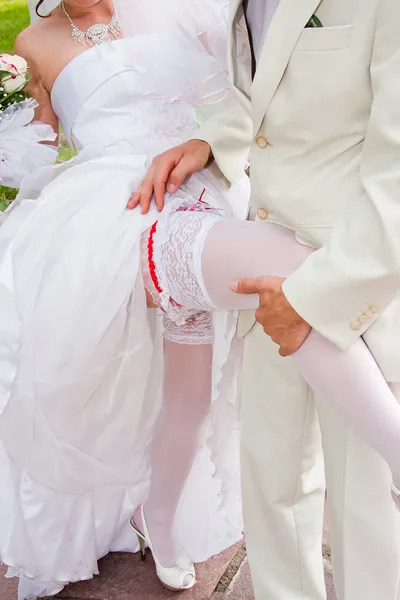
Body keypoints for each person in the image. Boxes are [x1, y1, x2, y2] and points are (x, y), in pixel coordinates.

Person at [2, 0, 400, 599]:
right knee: (291, 270)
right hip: (124, 216)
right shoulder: (33, 42)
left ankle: (157, 523)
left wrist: (207, 145)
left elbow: (247, 89)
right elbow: (31, 153)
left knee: (186, 407)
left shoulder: (167, 6)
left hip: (210, 201)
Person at [129, 1, 400, 599]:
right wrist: (210, 142)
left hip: (350, 285)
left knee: (365, 505)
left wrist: (312, 298)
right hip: (264, 264)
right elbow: (260, 88)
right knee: (273, 484)